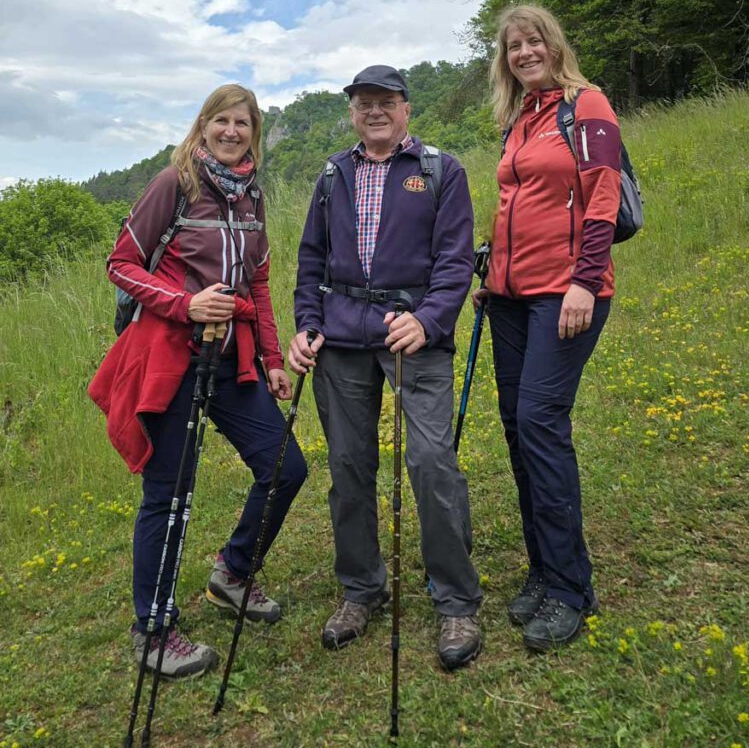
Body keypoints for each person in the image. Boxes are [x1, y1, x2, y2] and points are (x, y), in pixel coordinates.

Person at [89, 83, 307, 679]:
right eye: (222, 121)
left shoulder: (253, 195)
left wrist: (271, 360)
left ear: (253, 132)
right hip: (168, 357)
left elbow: (257, 286)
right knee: (171, 493)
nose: (232, 131)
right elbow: (121, 263)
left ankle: (233, 573)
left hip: (232, 357)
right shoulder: (175, 184)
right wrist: (185, 304)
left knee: (286, 467)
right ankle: (153, 629)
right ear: (203, 125)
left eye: (243, 123)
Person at [288, 64, 483, 671]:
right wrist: (306, 323)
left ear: (406, 109)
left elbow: (454, 263)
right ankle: (360, 590)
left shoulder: (441, 171)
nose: (374, 110)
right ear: (351, 112)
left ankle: (455, 600)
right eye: (363, 102)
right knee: (349, 465)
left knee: (429, 462)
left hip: (414, 335)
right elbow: (311, 261)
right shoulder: (332, 174)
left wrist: (427, 320)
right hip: (341, 340)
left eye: (385, 101)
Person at [479, 4, 621, 651]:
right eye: (514, 46)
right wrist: (490, 277)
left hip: (563, 296)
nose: (524, 52)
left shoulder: (585, 106)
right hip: (509, 298)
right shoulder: (518, 120)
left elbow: (602, 194)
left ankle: (571, 588)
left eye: (533, 41)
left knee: (540, 422)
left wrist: (585, 281)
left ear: (552, 44)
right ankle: (542, 567)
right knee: (516, 428)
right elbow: (514, 207)